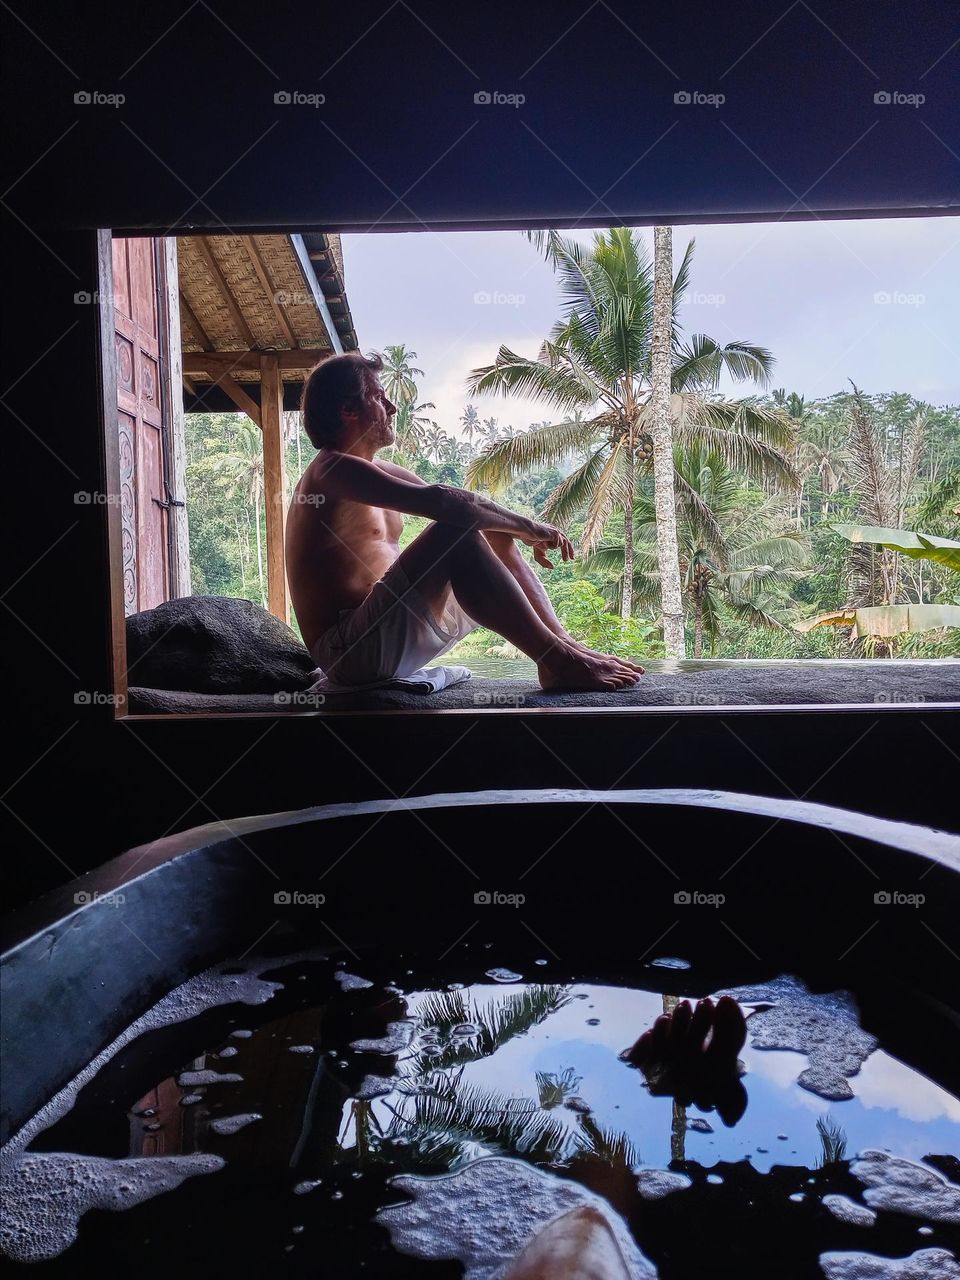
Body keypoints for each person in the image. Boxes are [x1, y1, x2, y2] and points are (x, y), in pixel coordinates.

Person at [285, 352, 645, 691]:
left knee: (491, 530)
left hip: (386, 634)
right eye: (380, 398)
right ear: (349, 409)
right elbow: (448, 504)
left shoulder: (376, 471)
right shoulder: (330, 470)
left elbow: (467, 505)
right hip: (349, 652)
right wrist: (533, 529)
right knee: (454, 532)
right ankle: (559, 660)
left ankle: (563, 648)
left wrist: (513, 528)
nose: (393, 407)